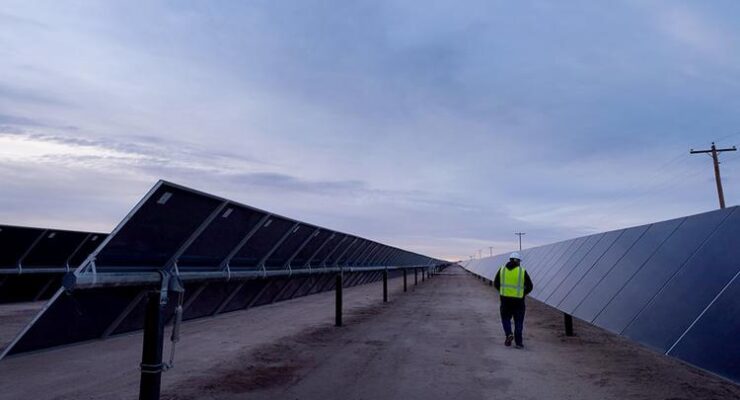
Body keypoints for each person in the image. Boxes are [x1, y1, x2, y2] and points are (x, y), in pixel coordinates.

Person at [493, 252, 533, 349]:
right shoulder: (522, 271)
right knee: (518, 321)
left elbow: (496, 283)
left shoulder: (502, 270)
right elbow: (530, 286)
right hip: (519, 302)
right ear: (518, 261)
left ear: (510, 259)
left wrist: (503, 292)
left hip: (505, 301)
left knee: (505, 319)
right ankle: (519, 343)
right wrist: (522, 293)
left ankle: (509, 334)